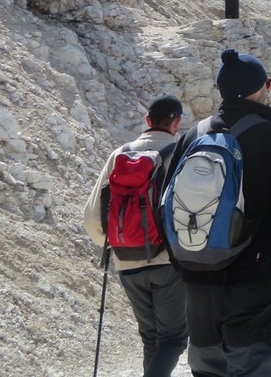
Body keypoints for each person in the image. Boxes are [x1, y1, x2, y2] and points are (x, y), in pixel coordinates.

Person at [166, 48, 271, 377]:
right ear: (260, 89)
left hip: (199, 280)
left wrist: (183, 266)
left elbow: (167, 202)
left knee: (208, 369)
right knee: (255, 367)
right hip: (255, 282)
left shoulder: (193, 135)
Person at [83, 95, 188, 377]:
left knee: (150, 338)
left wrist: (118, 245)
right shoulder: (181, 153)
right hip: (168, 262)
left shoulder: (119, 155)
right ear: (176, 122)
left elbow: (93, 217)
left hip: (127, 262)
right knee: (173, 340)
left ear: (147, 121)